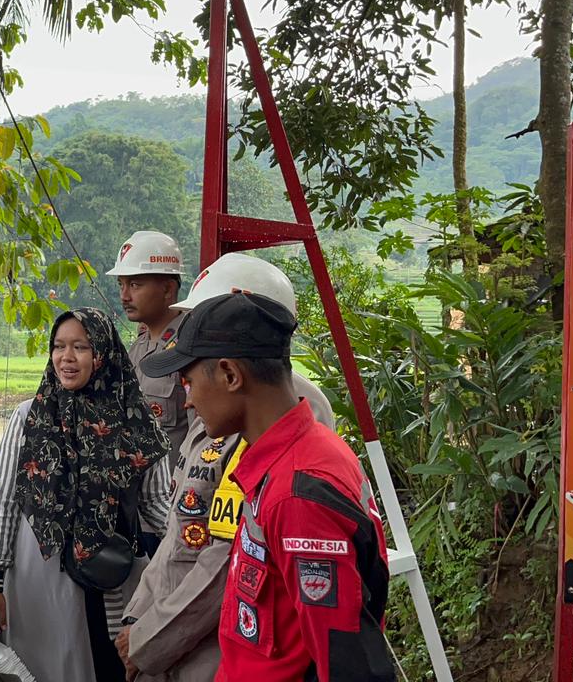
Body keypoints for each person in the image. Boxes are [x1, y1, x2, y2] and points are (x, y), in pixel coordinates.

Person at [141, 291, 394, 682]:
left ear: (230, 374)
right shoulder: (295, 457)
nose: (187, 401)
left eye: (189, 382)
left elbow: (348, 664)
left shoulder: (298, 495)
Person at [115, 253, 335, 682]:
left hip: (208, 648)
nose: (187, 338)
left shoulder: (263, 424)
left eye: (202, 324)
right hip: (170, 630)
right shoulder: (216, 413)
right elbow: (180, 531)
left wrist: (148, 638)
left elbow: (224, 562)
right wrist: (138, 615)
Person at [0, 307, 172, 682]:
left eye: (80, 347)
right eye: (58, 346)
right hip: (41, 570)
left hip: (113, 571)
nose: (66, 358)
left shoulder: (137, 417)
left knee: (110, 663)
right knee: (46, 665)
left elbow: (157, 503)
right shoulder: (29, 417)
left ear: (103, 353)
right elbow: (5, 501)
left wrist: (188, 558)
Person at [107, 231, 190, 556]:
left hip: (175, 510)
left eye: (136, 285)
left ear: (168, 288)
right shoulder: (140, 345)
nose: (125, 295)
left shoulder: (190, 348)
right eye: (122, 285)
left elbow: (204, 435)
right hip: (134, 510)